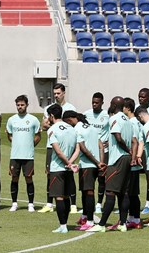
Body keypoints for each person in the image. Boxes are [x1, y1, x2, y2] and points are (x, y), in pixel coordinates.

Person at [87, 97, 137, 233]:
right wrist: (131, 154)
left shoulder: (114, 119)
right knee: (123, 193)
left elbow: (118, 137)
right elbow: (133, 140)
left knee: (110, 192)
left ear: (114, 105)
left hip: (117, 159)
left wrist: (126, 149)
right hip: (126, 159)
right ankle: (122, 224)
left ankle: (102, 224)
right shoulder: (128, 120)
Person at [62, 111, 105, 231]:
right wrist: (101, 162)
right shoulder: (91, 127)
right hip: (95, 165)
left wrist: (96, 162)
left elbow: (83, 149)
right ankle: (85, 216)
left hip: (87, 165)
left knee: (88, 192)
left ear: (70, 120)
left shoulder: (77, 130)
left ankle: (90, 221)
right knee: (85, 191)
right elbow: (101, 146)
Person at [40, 83, 78, 213]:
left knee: (69, 172)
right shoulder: (48, 108)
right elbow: (44, 125)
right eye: (54, 93)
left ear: (64, 93)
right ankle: (49, 203)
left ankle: (73, 204)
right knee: (50, 173)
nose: (56, 95)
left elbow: (73, 125)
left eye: (58, 93)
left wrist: (52, 125)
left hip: (67, 145)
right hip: (52, 144)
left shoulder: (70, 107)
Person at [45, 104, 78, 233]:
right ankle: (65, 224)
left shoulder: (52, 130)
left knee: (58, 197)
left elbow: (57, 151)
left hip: (57, 168)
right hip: (69, 168)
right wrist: (71, 162)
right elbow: (77, 148)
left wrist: (66, 163)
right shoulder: (72, 128)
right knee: (66, 196)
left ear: (52, 116)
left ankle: (63, 225)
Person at [6, 95, 41, 212]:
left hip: (28, 156)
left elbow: (38, 136)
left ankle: (31, 204)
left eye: (22, 105)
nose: (20, 107)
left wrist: (31, 145)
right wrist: (16, 143)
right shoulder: (11, 120)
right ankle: (14, 203)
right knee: (14, 178)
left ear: (27, 105)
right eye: (18, 105)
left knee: (29, 178)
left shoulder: (33, 120)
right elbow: (9, 135)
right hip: (15, 155)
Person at [84, 92, 109, 214]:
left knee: (102, 177)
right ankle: (90, 203)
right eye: (93, 102)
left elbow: (112, 129)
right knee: (90, 177)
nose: (94, 105)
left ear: (102, 103)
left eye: (97, 103)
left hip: (103, 151)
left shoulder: (107, 115)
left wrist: (110, 141)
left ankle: (99, 203)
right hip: (90, 151)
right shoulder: (87, 114)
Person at [123, 98, 144, 229]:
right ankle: (133, 218)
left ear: (127, 108)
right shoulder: (135, 121)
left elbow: (136, 141)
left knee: (131, 191)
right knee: (132, 192)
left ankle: (135, 219)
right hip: (135, 159)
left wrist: (134, 157)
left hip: (133, 161)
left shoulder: (132, 122)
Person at [137, 88, 149, 215]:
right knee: (134, 175)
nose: (140, 99)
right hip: (139, 147)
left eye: (143, 97)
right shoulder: (138, 109)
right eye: (139, 96)